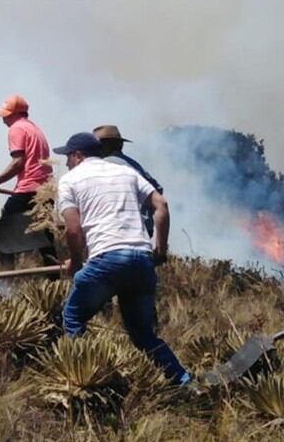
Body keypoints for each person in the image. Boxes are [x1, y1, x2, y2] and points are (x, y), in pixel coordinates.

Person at [54, 132, 190, 385]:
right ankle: (185, 382)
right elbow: (161, 206)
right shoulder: (127, 172)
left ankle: (87, 377)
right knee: (142, 335)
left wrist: (75, 261)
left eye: (68, 157)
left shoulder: (70, 180)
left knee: (72, 318)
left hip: (106, 260)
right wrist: (160, 249)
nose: (66, 163)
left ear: (78, 155)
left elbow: (73, 230)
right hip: (140, 259)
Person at [0, 94, 57, 267]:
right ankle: (55, 281)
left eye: (6, 114)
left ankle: (8, 277)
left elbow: (18, 163)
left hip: (29, 189)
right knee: (45, 236)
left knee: (3, 233)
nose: (3, 118)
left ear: (15, 114)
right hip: (45, 191)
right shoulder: (35, 129)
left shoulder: (16, 129)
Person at [93, 125, 164, 237]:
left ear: (103, 145)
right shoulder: (133, 163)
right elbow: (157, 188)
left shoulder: (106, 165)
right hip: (143, 228)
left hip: (121, 229)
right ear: (120, 144)